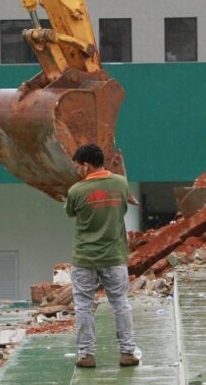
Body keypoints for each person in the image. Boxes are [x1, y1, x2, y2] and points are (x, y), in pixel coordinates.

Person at [65, 143, 139, 368]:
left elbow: (70, 212)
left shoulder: (76, 191)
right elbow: (124, 208)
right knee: (121, 303)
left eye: (78, 166)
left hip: (85, 258)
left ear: (86, 166)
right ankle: (127, 352)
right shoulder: (120, 183)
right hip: (114, 256)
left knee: (84, 306)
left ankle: (86, 355)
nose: (78, 171)